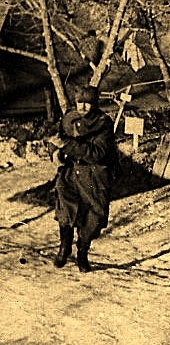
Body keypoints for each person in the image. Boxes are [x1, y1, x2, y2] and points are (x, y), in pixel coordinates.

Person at [47, 85, 119, 272]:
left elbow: (97, 153)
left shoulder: (104, 124)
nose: (83, 107)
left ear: (94, 104)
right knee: (66, 212)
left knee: (92, 219)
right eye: (80, 102)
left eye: (87, 104)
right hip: (70, 174)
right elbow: (54, 138)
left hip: (93, 177)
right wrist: (55, 153)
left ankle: (82, 254)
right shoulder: (68, 118)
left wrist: (67, 145)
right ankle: (64, 248)